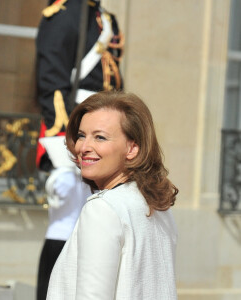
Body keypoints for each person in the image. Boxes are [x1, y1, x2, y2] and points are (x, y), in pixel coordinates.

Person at [46, 90, 179, 300]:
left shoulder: (103, 209)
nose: (84, 147)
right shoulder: (158, 208)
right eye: (81, 135)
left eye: (100, 137)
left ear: (132, 148)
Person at [35, 1, 124, 299]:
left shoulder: (107, 19)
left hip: (105, 128)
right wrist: (65, 143)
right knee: (65, 223)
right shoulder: (62, 14)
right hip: (74, 127)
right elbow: (51, 83)